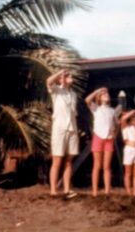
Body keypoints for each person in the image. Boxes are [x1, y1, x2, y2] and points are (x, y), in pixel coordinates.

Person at [46, 69, 79, 198]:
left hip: (72, 128)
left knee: (69, 160)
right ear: (60, 79)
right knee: (57, 159)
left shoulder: (73, 94)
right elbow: (48, 81)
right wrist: (60, 72)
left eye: (70, 75)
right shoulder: (56, 91)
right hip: (59, 128)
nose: (70, 77)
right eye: (67, 76)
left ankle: (66, 189)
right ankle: (53, 190)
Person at [85, 87, 122, 197]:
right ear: (99, 98)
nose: (106, 95)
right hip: (98, 137)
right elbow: (87, 100)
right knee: (97, 165)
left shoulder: (112, 111)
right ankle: (95, 191)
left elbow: (118, 123)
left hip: (109, 139)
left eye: (107, 94)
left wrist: (115, 134)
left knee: (107, 166)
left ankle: (107, 191)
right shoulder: (96, 108)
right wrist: (97, 91)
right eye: (103, 94)